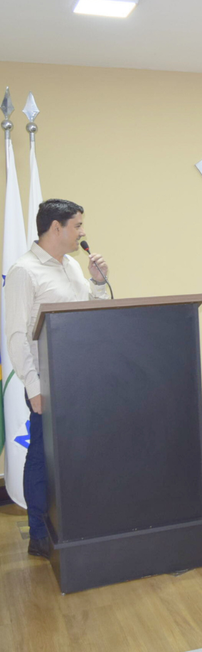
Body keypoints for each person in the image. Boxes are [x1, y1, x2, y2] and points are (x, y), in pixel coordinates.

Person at [5, 199, 110, 559]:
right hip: (47, 384)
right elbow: (16, 336)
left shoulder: (72, 266)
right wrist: (34, 387)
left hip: (82, 378)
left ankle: (80, 523)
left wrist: (98, 283)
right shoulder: (25, 271)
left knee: (81, 454)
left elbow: (88, 314)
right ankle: (39, 535)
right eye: (77, 225)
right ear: (56, 227)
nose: (82, 232)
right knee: (41, 458)